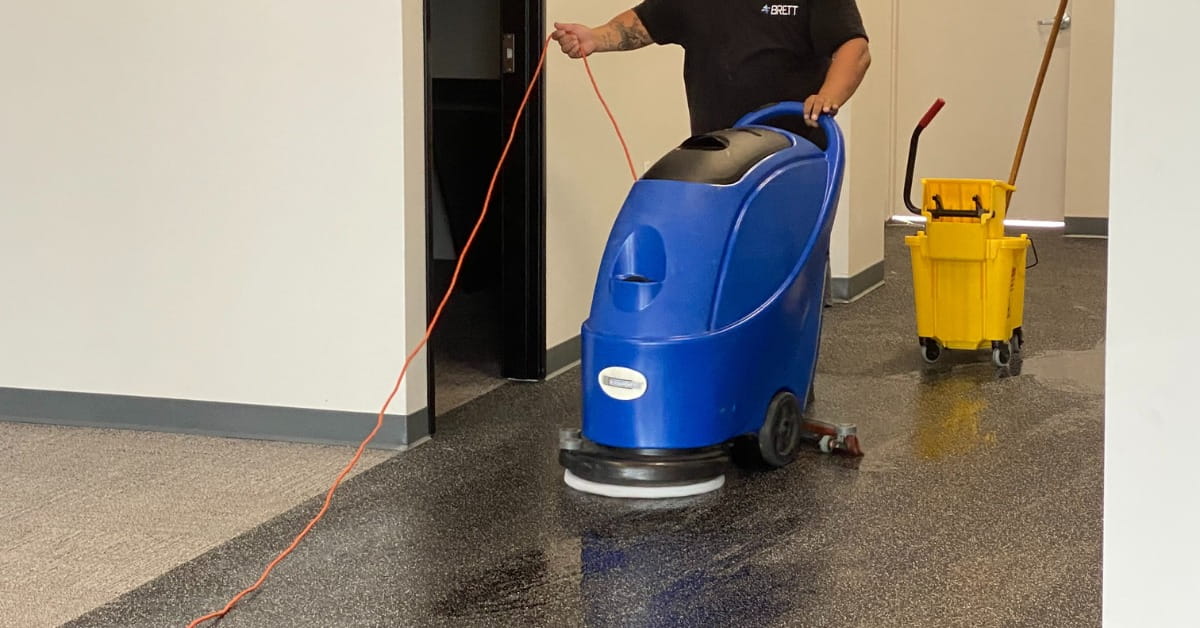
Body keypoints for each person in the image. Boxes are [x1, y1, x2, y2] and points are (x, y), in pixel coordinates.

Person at [551, 1, 870, 148]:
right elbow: (645, 23)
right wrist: (595, 37)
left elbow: (854, 48)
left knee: (792, 257)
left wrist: (829, 95)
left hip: (791, 154)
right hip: (714, 153)